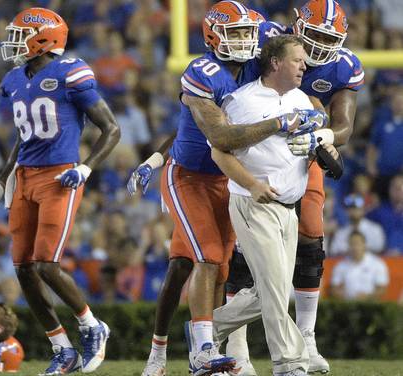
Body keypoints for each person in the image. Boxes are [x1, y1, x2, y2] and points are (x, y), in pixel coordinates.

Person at [126, 2, 309, 375]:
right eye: (236, 32)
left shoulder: (254, 71)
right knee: (204, 259)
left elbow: (291, 74)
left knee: (214, 267)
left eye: (247, 33)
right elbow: (217, 135)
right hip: (189, 177)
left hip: (226, 180)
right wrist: (281, 123)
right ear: (213, 35)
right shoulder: (203, 71)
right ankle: (197, 350)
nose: (243, 40)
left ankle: (203, 351)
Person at [225, 1, 364, 373]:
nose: (318, 47)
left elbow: (344, 126)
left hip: (301, 153)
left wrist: (324, 133)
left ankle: (306, 339)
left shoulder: (345, 65)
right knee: (240, 250)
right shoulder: (265, 39)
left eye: (327, 38)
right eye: (313, 36)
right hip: (253, 149)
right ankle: (234, 346)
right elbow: (231, 88)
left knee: (312, 236)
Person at [0, 7, 120, 375]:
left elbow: (111, 129)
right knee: (24, 268)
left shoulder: (70, 72)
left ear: (43, 39)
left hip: (59, 176)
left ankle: (92, 325)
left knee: (47, 264)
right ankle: (62, 348)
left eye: (19, 35)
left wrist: (85, 167)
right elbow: (23, 138)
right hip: (25, 176)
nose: (13, 43)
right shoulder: (14, 79)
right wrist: (1, 179)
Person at [210, 34, 339, 376]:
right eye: (298, 59)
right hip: (254, 204)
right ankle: (290, 363)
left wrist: (323, 148)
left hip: (289, 208)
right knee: (275, 289)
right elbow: (218, 150)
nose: (305, 65)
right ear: (276, 62)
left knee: (273, 291)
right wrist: (251, 185)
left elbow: (307, 143)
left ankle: (206, 331)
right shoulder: (242, 101)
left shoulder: (301, 99)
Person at [330, 231, 389, 300]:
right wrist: (345, 297)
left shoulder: (378, 264)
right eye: (352, 244)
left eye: (357, 243)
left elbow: (382, 289)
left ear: (364, 244)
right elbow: (334, 288)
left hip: (371, 304)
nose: (355, 247)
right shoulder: (340, 266)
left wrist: (367, 297)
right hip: (347, 304)